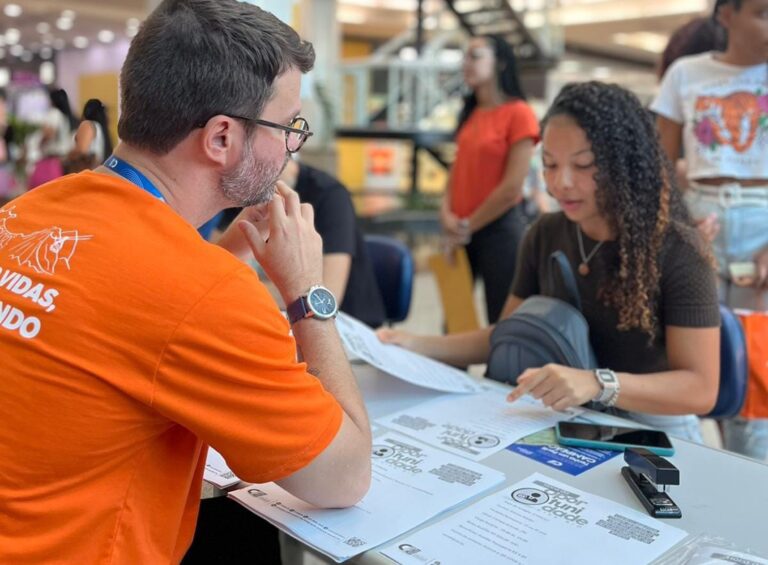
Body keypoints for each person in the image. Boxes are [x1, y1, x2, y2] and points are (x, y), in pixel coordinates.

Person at [0, 2, 372, 564]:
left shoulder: (28, 211)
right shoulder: (204, 291)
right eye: (288, 127)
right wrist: (307, 297)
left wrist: (214, 262)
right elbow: (344, 476)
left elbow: (137, 319)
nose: (291, 147)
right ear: (222, 137)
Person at [381, 82, 720, 441]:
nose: (562, 183)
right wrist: (415, 345)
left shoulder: (678, 250)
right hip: (568, 417)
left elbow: (700, 388)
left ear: (626, 164)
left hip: (652, 423)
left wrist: (598, 384)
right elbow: (505, 332)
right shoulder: (545, 232)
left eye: (583, 165)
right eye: (549, 165)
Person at [652, 0, 768, 459]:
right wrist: (679, 227)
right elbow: (659, 167)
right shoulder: (685, 73)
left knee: (756, 376)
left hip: (762, 222)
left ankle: (754, 500)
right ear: (727, 15)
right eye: (761, 11)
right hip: (697, 219)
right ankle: (692, 476)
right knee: (685, 359)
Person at [218, 158, 387, 328]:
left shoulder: (330, 194)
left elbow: (327, 294)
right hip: (271, 316)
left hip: (343, 324)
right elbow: (212, 265)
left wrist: (235, 287)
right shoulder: (243, 187)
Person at [440, 34, 539, 324]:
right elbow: (457, 170)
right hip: (460, 231)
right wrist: (445, 213)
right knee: (455, 322)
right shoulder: (470, 113)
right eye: (465, 56)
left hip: (499, 231)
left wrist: (468, 224)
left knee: (502, 323)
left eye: (476, 55)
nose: (466, 63)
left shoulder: (519, 113)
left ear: (501, 64)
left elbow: (512, 187)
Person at [72, 98, 114, 167]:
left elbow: (82, 151)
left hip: (85, 171)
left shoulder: (87, 124)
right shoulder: (102, 129)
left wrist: (69, 155)